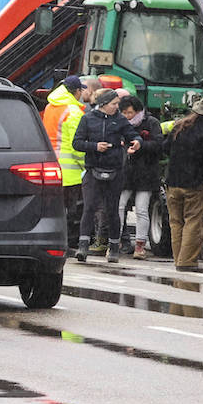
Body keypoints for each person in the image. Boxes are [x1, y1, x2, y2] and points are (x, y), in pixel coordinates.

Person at [72, 88, 142, 263]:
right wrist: (95, 147)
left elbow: (133, 135)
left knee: (112, 210)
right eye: (114, 104)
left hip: (115, 171)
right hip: (93, 169)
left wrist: (137, 142)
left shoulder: (120, 120)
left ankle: (114, 248)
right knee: (89, 208)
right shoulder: (88, 119)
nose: (117, 107)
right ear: (103, 104)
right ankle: (83, 246)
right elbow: (77, 143)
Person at [166, 96, 203, 273]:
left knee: (176, 222)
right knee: (193, 222)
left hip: (173, 181)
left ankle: (178, 259)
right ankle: (187, 262)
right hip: (194, 184)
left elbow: (165, 148)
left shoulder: (180, 126)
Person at [43, 75, 91, 252]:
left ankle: (54, 241)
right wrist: (86, 165)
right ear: (77, 91)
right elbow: (76, 145)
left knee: (55, 209)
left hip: (51, 164)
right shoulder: (74, 112)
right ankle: (69, 243)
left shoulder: (50, 106)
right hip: (71, 170)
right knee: (72, 210)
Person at [118, 95, 164, 259]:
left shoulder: (152, 123)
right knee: (119, 206)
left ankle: (140, 245)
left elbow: (159, 145)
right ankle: (115, 241)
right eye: (124, 113)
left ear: (138, 111)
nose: (127, 116)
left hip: (146, 173)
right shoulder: (120, 124)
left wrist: (141, 146)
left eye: (130, 113)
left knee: (142, 209)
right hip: (126, 173)